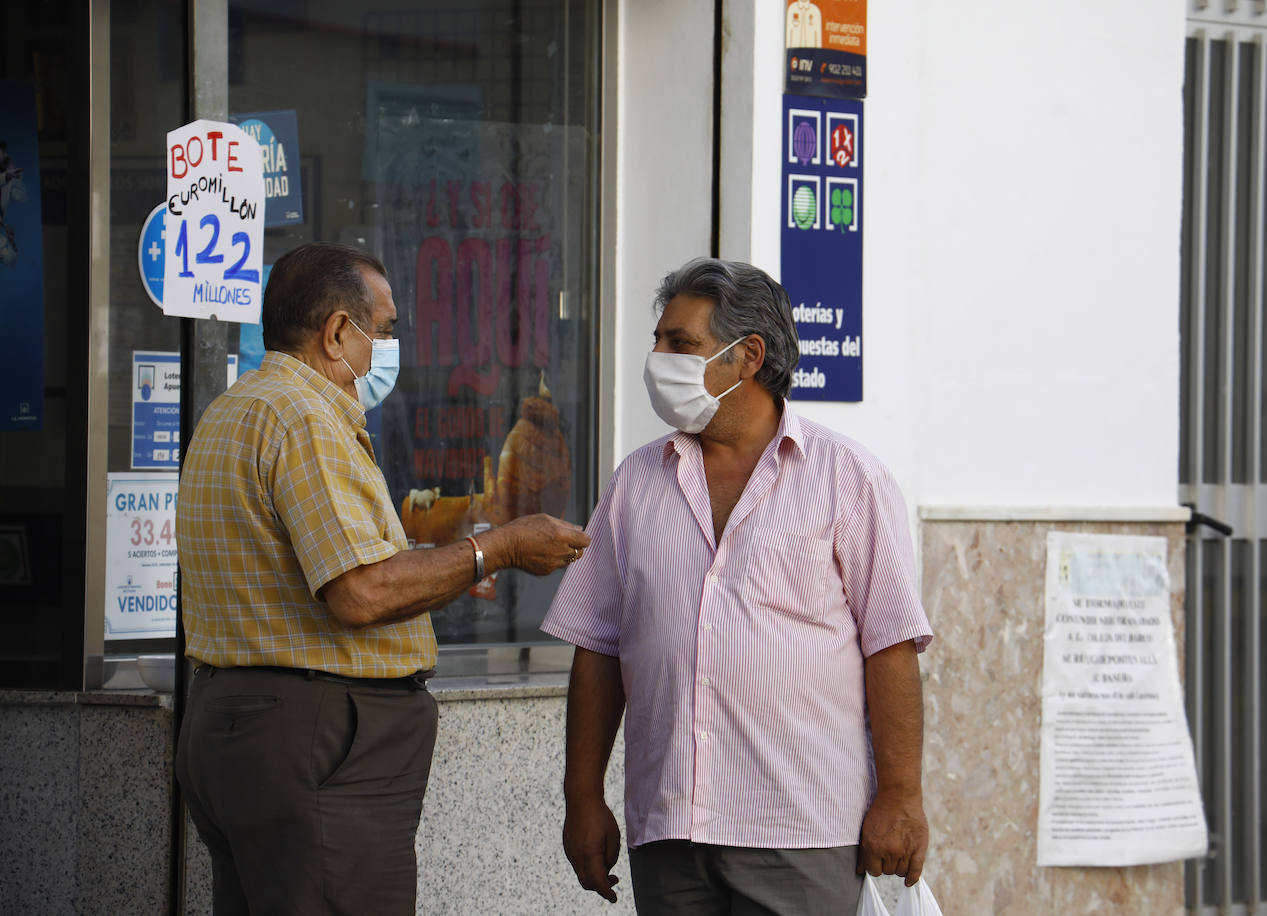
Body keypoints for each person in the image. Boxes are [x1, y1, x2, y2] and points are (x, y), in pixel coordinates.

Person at [175, 241, 589, 915]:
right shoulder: (303, 418)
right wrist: (499, 548)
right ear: (338, 332)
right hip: (316, 736)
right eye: (385, 330)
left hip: (237, 724)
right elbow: (361, 591)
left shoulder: (236, 409)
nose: (387, 347)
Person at [543, 257, 933, 914]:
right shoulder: (637, 482)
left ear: (748, 356)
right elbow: (598, 647)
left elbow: (890, 646)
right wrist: (582, 798)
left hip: (801, 829)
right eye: (659, 341)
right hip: (670, 830)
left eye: (680, 344)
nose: (657, 359)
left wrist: (901, 795)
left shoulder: (847, 479)